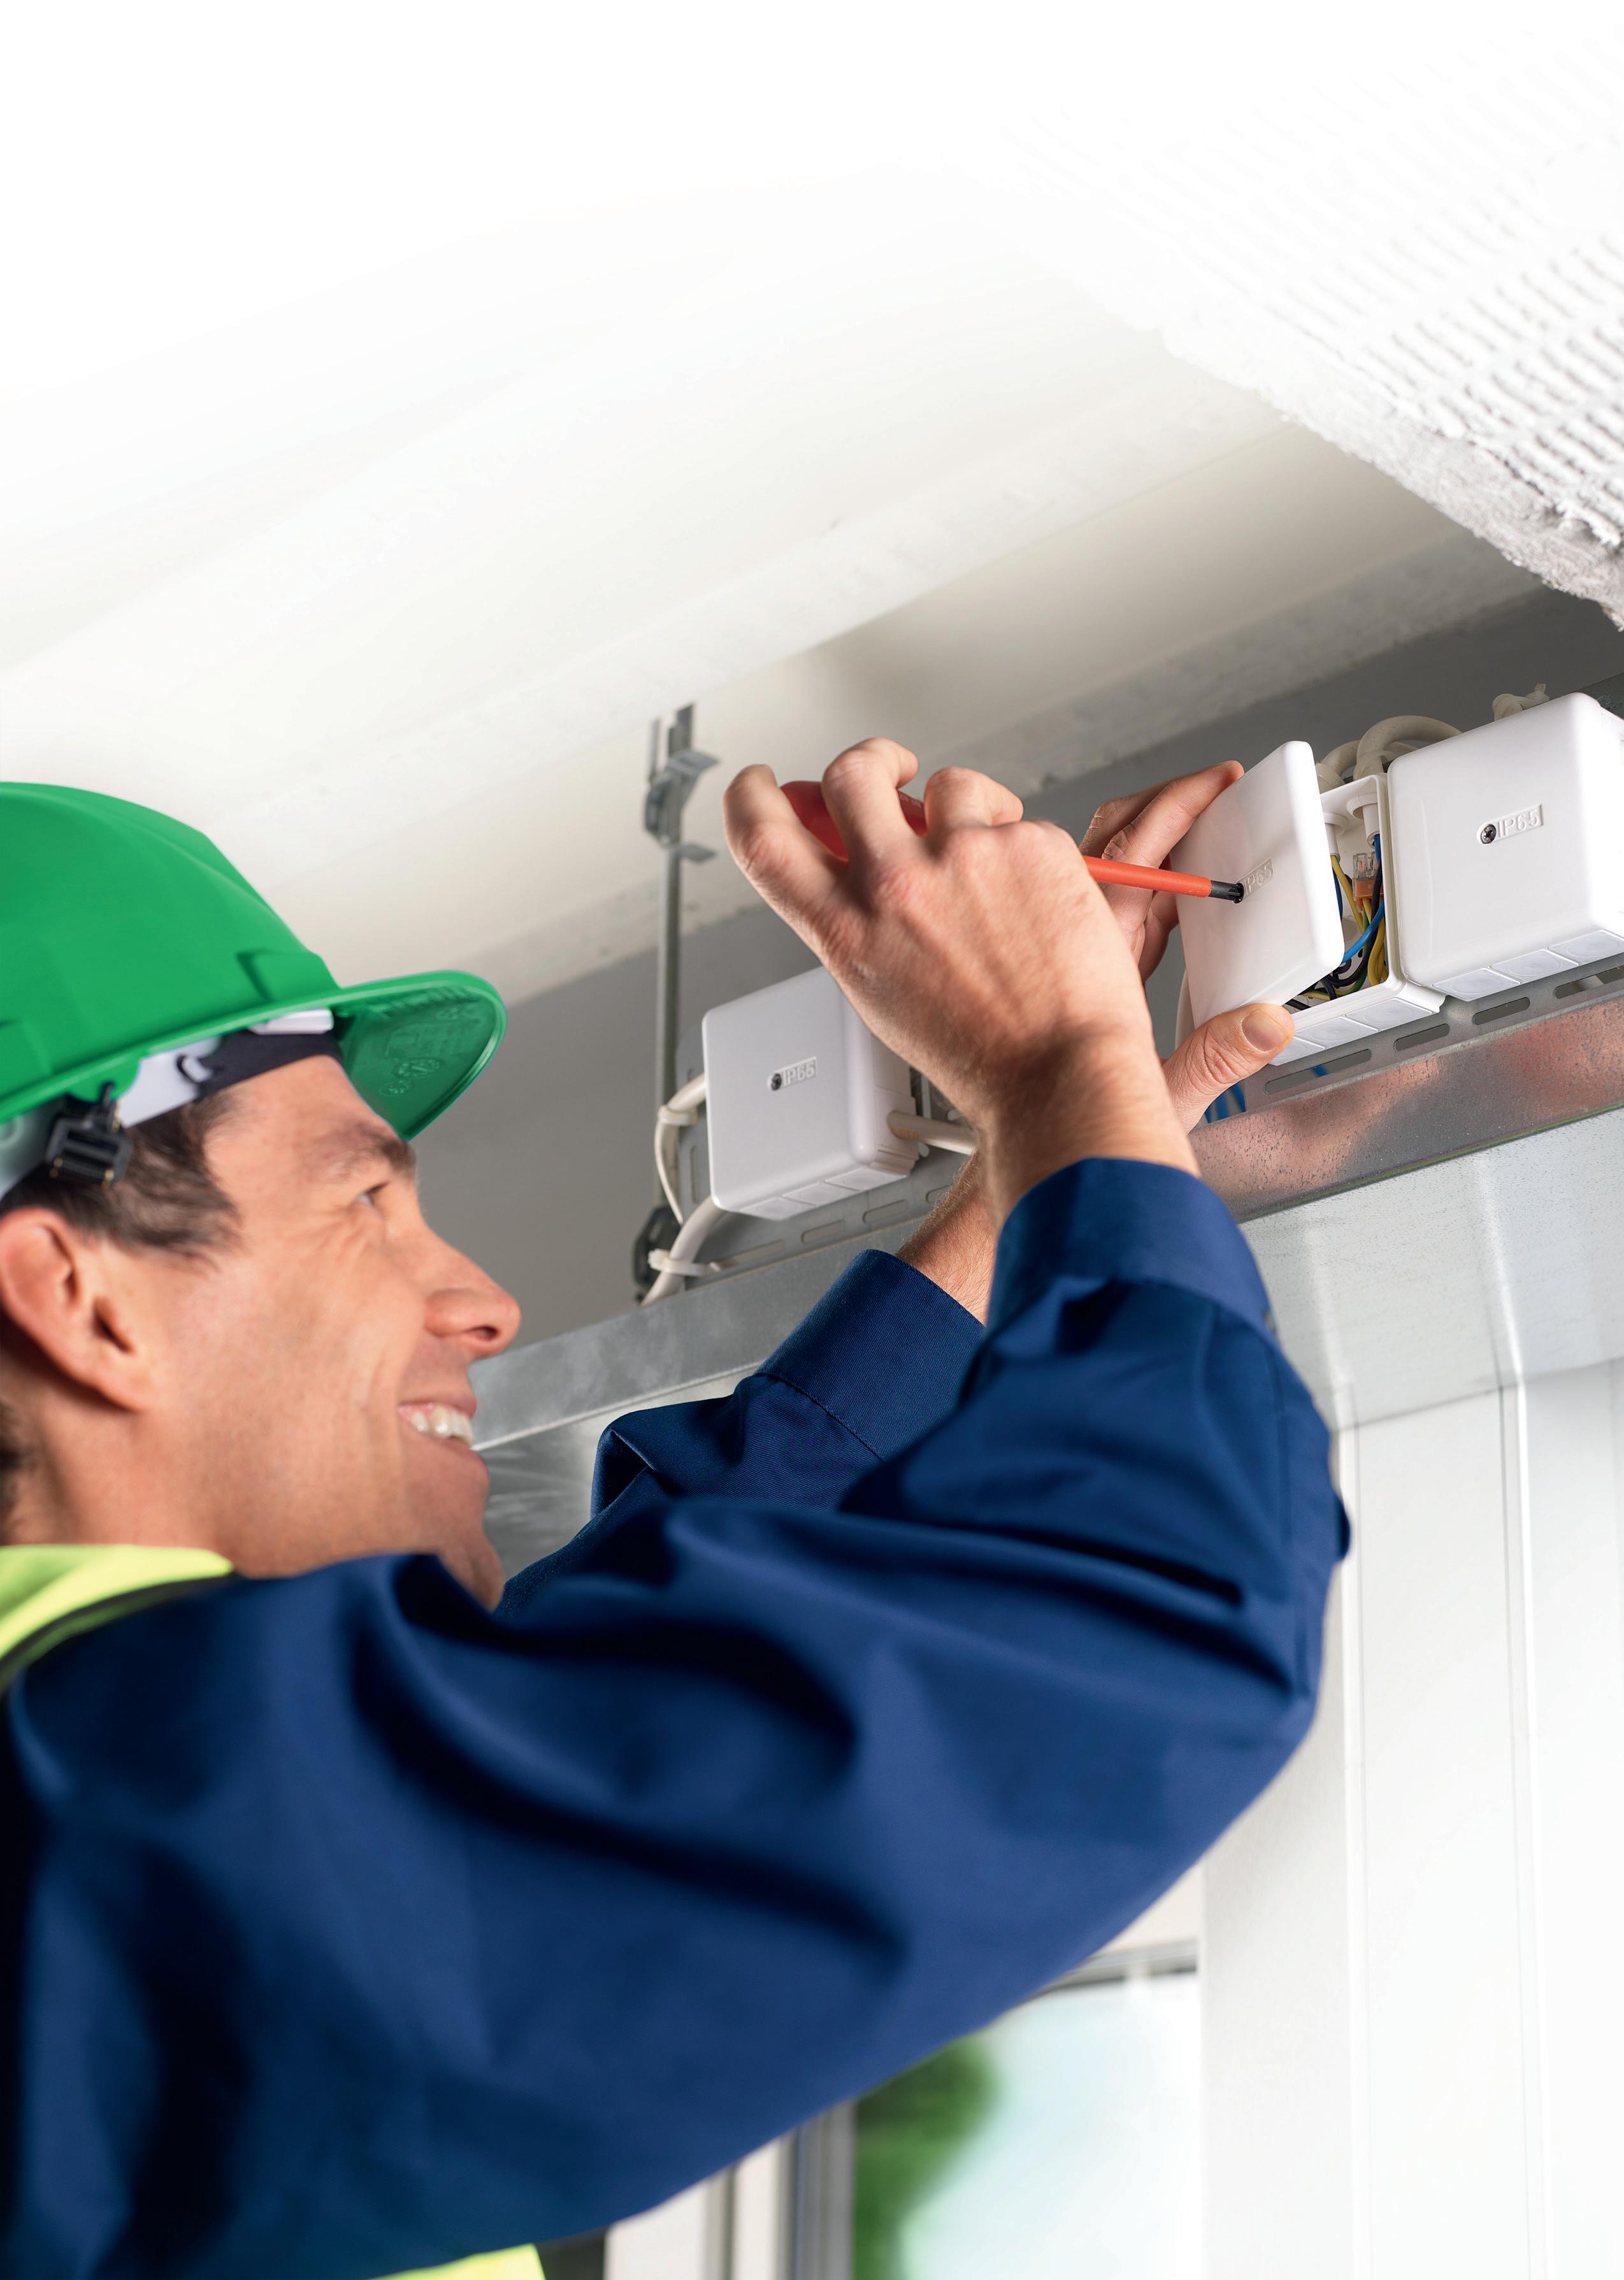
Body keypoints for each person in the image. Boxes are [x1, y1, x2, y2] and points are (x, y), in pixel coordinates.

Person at [0, 742, 1342, 2280]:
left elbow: (578, 1724)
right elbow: (1140, 1615)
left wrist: (1058, 1154)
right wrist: (1055, 1062)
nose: (483, 1303)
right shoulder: (123, 1836)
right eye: (366, 1201)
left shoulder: (108, 1821)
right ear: (78, 1297)